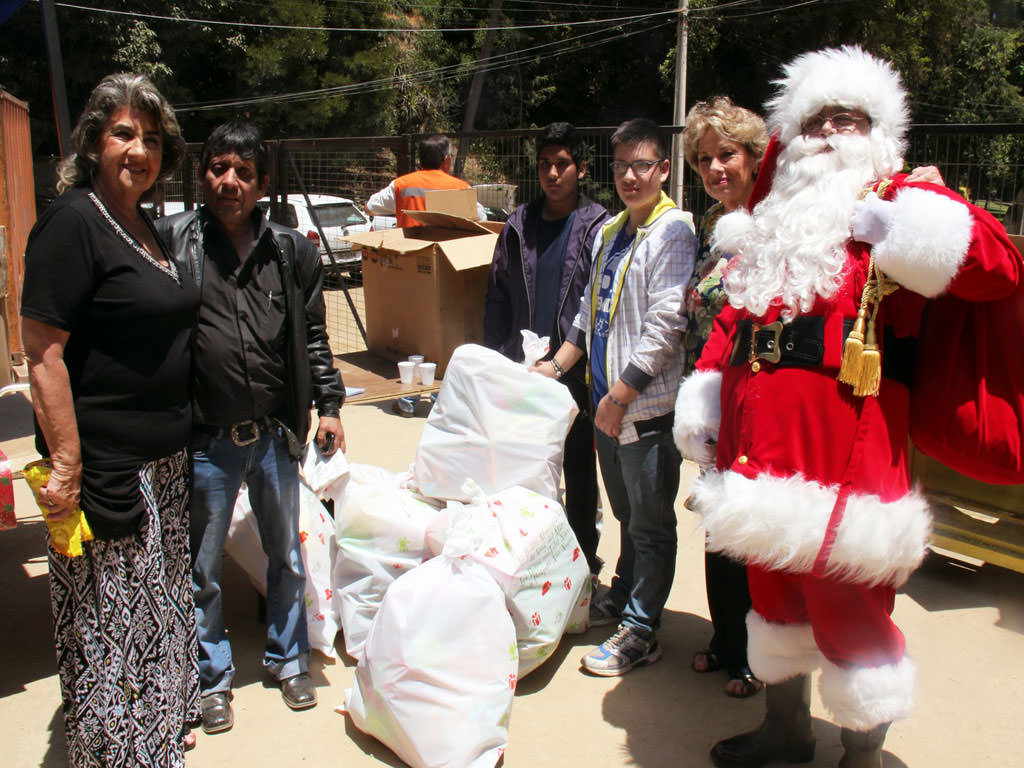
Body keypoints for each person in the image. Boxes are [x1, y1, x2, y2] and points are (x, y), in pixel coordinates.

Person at [673, 46, 1022, 768]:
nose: (828, 132)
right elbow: (736, 320)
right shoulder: (770, 224)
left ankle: (861, 755)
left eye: (848, 119)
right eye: (814, 121)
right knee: (773, 596)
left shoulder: (897, 204)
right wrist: (704, 395)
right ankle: (786, 730)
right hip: (759, 448)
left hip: (849, 457)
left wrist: (922, 212)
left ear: (878, 132)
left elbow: (999, 268)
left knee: (849, 608)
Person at [21, 72, 199, 765]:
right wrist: (67, 465)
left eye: (151, 138)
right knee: (111, 623)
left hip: (163, 466)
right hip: (109, 470)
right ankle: (118, 753)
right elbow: (42, 350)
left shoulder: (140, 222)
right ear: (94, 141)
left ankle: (158, 734)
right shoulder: (72, 222)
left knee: (155, 613)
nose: (139, 150)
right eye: (124, 133)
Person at [156, 120, 346, 734]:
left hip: (272, 435)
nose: (229, 181)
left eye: (243, 172)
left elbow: (313, 336)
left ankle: (288, 660)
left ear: (263, 184)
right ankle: (212, 680)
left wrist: (330, 405)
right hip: (205, 440)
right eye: (218, 168)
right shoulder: (173, 243)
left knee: (285, 555)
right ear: (201, 175)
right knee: (201, 567)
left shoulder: (291, 252)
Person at [534, 118, 695, 676]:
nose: (629, 176)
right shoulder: (611, 231)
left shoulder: (673, 232)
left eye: (641, 166)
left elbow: (665, 327)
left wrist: (621, 396)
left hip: (640, 411)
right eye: (621, 165)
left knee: (650, 525)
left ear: (664, 169)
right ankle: (626, 593)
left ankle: (642, 630)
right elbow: (587, 313)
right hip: (605, 407)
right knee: (627, 514)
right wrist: (555, 366)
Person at [484, 121, 609, 578]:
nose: (553, 174)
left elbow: (599, 306)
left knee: (578, 468)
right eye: (544, 165)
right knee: (524, 466)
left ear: (581, 168)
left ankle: (581, 564)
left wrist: (572, 362)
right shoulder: (519, 225)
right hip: (524, 370)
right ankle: (528, 560)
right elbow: (498, 296)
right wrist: (499, 362)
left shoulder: (598, 226)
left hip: (574, 371)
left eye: (562, 164)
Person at [680, 96, 769, 699]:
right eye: (705, 158)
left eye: (727, 154)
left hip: (755, 400)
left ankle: (754, 657)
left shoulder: (770, 224)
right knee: (717, 525)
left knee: (751, 528)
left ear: (754, 157)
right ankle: (725, 638)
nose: (715, 168)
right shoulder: (715, 226)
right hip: (712, 401)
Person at [366, 134, 484, 226]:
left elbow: (369, 207)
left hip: (409, 248)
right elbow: (481, 218)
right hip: (443, 249)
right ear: (446, 160)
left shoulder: (401, 184)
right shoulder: (461, 188)